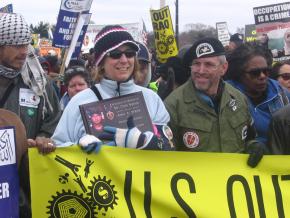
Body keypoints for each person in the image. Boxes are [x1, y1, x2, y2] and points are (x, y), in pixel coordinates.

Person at [52, 25, 174, 151]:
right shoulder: (79, 101)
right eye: (115, 54)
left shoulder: (152, 99)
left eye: (130, 53)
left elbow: (169, 147)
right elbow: (57, 147)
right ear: (101, 62)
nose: (124, 60)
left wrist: (145, 141)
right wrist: (77, 147)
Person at [165, 37, 265, 167]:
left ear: (223, 68)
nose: (200, 71)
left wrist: (254, 146)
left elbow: (249, 138)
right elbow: (166, 156)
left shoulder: (239, 99)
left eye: (208, 64)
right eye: (196, 63)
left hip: (234, 183)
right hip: (196, 184)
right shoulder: (173, 105)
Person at [0, 13, 61, 149]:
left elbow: (54, 118)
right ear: (1, 47)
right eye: (17, 46)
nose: (24, 52)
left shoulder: (39, 82)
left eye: (25, 45)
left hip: (28, 166)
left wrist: (43, 138)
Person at [226, 43, 290, 145]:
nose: (262, 76)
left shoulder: (281, 93)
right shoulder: (226, 96)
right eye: (255, 73)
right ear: (239, 73)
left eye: (266, 71)